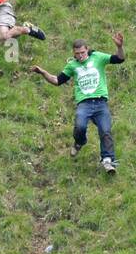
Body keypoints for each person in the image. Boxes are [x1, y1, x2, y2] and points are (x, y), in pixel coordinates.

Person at [31, 32, 125, 172]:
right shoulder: (72, 65)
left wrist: (119, 47)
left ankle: (108, 160)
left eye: (82, 52)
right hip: (84, 104)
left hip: (100, 103)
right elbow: (57, 81)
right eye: (77, 53)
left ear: (87, 49)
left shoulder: (98, 57)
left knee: (105, 131)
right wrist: (43, 72)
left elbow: (120, 59)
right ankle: (80, 142)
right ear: (73, 53)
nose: (80, 56)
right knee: (80, 127)